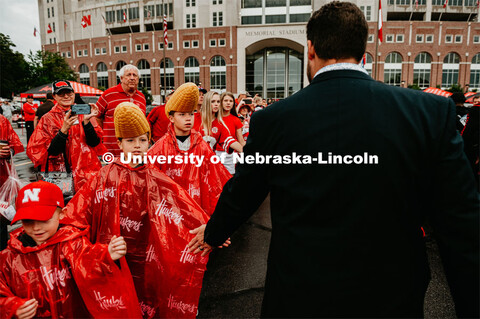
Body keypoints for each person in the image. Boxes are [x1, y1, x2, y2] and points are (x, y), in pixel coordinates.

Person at [188, 2, 479, 318]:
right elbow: (462, 225)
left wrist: (213, 232)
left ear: (310, 49)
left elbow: (243, 192)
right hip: (389, 296)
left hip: (301, 295)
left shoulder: (274, 120)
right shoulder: (428, 114)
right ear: (362, 52)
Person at [63, 102, 218, 318]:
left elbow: (184, 209)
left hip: (147, 252)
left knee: (146, 294)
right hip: (115, 252)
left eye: (142, 140)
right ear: (119, 143)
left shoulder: (156, 175)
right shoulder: (103, 176)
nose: (137, 145)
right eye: (130, 140)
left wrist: (214, 229)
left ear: (149, 141)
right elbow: (76, 214)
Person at [0, 181, 141, 318]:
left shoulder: (72, 243)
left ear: (62, 214)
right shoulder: (9, 258)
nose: (36, 227)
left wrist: (106, 255)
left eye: (44, 219)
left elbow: (87, 260)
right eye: (28, 221)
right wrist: (11, 307)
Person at [148, 83, 231, 216]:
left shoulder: (201, 145)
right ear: (171, 118)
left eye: (191, 114)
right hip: (170, 213)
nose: (188, 118)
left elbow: (217, 179)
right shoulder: (160, 148)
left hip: (198, 210)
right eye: (182, 114)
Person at [27, 80, 103, 192]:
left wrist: (87, 123)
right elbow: (50, 152)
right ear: (54, 97)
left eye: (69, 93)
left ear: (74, 94)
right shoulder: (47, 119)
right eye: (61, 93)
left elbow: (95, 143)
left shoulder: (84, 112)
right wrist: (64, 130)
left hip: (87, 173)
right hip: (61, 176)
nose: (66, 96)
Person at [96, 64, 146, 156]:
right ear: (121, 78)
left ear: (138, 79)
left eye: (134, 75)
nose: (132, 78)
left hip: (134, 152)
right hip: (111, 150)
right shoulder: (108, 94)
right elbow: (97, 116)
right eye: (128, 75)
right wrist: (104, 136)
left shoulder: (141, 98)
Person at [0, 114, 24, 251]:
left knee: (1, 223)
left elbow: (15, 143)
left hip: (2, 181)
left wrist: (9, 151)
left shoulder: (2, 120)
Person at [461, 95, 479, 188]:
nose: (475, 104)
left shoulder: (475, 111)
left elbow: (467, 130)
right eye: (474, 102)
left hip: (473, 146)